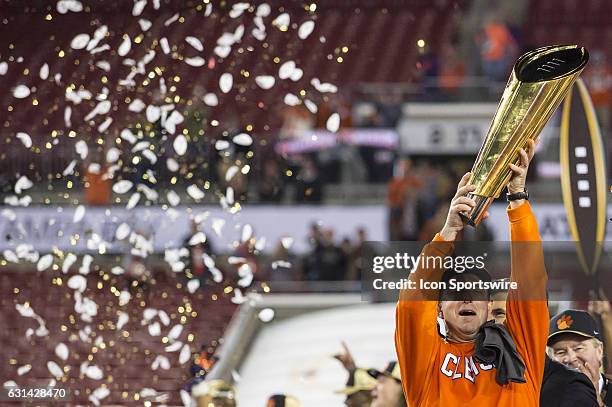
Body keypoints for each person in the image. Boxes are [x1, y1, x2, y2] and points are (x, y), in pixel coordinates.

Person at [396, 139, 549, 405]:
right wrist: (448, 232)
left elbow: (531, 281)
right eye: (456, 292)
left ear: (490, 308)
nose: (467, 297)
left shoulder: (520, 348)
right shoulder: (426, 360)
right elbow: (413, 303)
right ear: (439, 309)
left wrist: (517, 196)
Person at [488, 288, 599, 406]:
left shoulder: (571, 387)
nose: (491, 322)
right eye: (488, 314)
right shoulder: (478, 378)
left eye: (499, 313)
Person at [548, 309, 612, 406]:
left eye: (578, 348)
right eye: (561, 352)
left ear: (599, 351)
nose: (570, 358)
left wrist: (594, 400)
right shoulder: (543, 397)